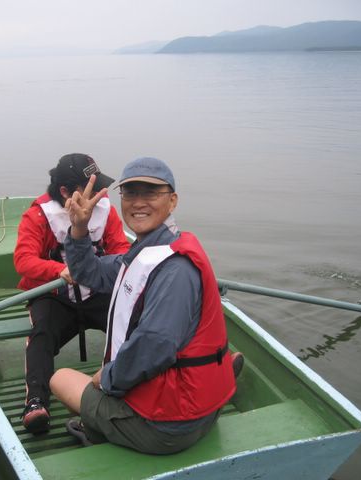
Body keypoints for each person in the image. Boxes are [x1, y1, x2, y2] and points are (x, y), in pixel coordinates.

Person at [50, 157, 243, 454]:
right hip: (193, 406)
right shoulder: (150, 252)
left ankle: (97, 429)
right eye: (130, 193)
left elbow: (154, 344)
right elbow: (89, 272)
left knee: (61, 379)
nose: (138, 202)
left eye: (151, 192)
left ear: (172, 200)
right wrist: (79, 230)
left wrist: (107, 379)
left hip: (168, 427)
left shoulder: (175, 270)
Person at [14, 153, 131, 434]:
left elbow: (121, 249)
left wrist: (103, 269)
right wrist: (59, 270)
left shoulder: (105, 210)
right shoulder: (38, 215)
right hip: (55, 296)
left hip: (97, 290)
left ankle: (134, 383)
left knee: (133, 318)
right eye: (90, 188)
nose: (99, 195)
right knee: (42, 332)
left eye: (99, 186)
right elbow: (23, 260)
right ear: (65, 191)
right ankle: (35, 402)